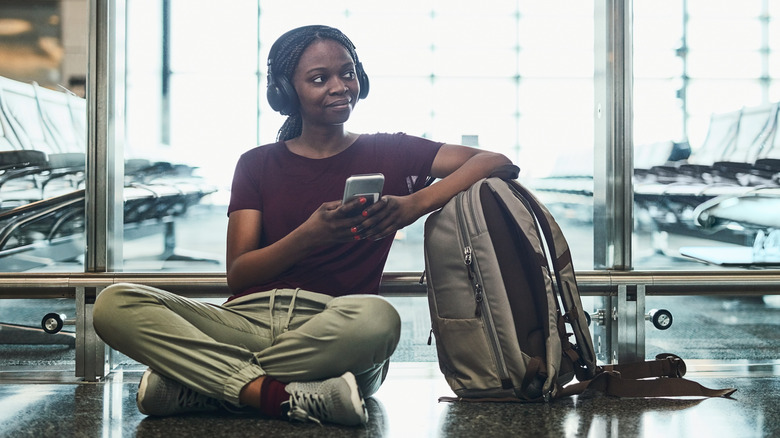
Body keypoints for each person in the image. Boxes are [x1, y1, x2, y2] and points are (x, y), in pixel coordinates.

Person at [92, 24, 513, 427]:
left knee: (379, 320)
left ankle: (210, 384)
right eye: (318, 78)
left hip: (335, 325)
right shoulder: (257, 163)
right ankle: (277, 393)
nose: (339, 87)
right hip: (244, 323)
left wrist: (413, 205)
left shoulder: (391, 149)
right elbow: (240, 274)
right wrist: (309, 236)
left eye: (347, 73)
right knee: (114, 303)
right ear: (285, 91)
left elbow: (495, 161)